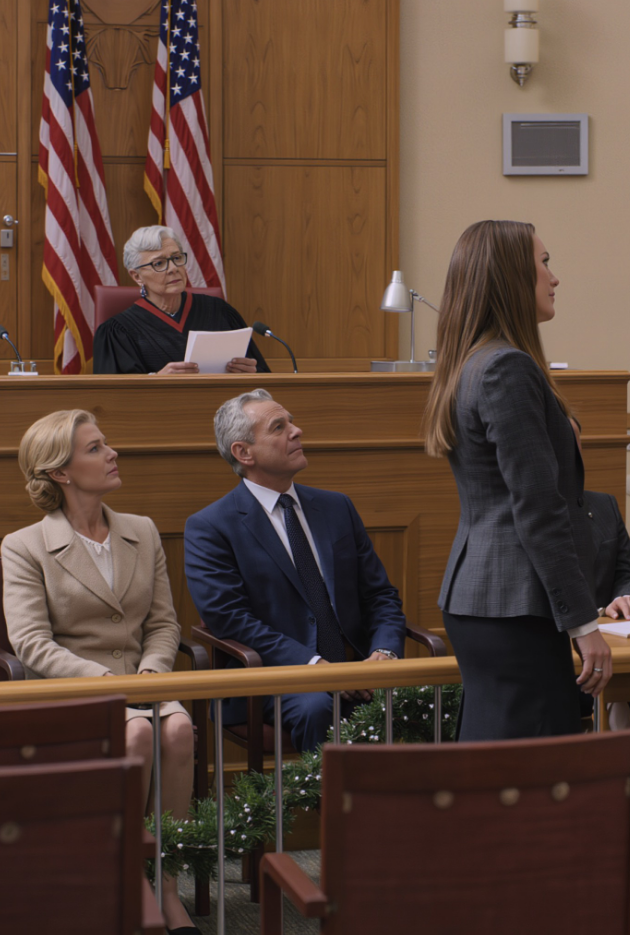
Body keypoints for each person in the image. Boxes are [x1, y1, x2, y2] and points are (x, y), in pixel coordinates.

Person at [0, 410, 198, 934]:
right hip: (72, 691)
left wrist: (151, 672)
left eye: (106, 443)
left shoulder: (142, 530)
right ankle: (125, 880)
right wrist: (107, 682)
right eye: (95, 448)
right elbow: (30, 643)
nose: (112, 454)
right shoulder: (23, 546)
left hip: (144, 680)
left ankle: (167, 886)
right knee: (136, 732)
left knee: (178, 728)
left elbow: (163, 623)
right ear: (60, 472)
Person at [424, 220, 612, 742]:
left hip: (489, 599)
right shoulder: (506, 367)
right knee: (530, 768)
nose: (555, 277)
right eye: (544, 263)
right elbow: (538, 508)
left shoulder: (475, 362)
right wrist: (584, 624)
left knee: (499, 762)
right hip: (515, 604)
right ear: (510, 277)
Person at [183, 388, 406, 753]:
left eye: (292, 422)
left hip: (357, 665)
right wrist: (316, 666)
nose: (297, 431)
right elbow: (231, 619)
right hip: (274, 676)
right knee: (318, 707)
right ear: (244, 452)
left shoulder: (337, 507)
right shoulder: (211, 526)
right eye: (279, 427)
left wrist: (385, 653)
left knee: (426, 694)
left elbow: (380, 595)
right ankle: (327, 794)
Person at [93, 225, 270, 375]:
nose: (173, 268)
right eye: (159, 263)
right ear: (137, 276)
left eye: (177, 258)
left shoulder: (219, 312)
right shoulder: (118, 332)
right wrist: (156, 380)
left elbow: (262, 377)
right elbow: (111, 395)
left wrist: (252, 373)